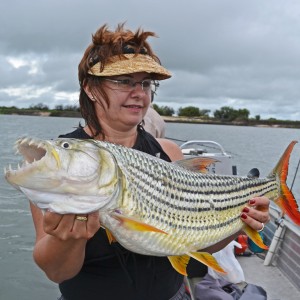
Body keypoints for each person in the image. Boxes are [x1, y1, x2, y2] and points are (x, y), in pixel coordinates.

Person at [30, 24, 270, 300]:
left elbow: (196, 242)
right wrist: (69, 237)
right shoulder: (62, 161)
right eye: (124, 81)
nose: (139, 92)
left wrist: (241, 222)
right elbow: (57, 272)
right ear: (90, 88)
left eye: (145, 83)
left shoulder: (169, 153)